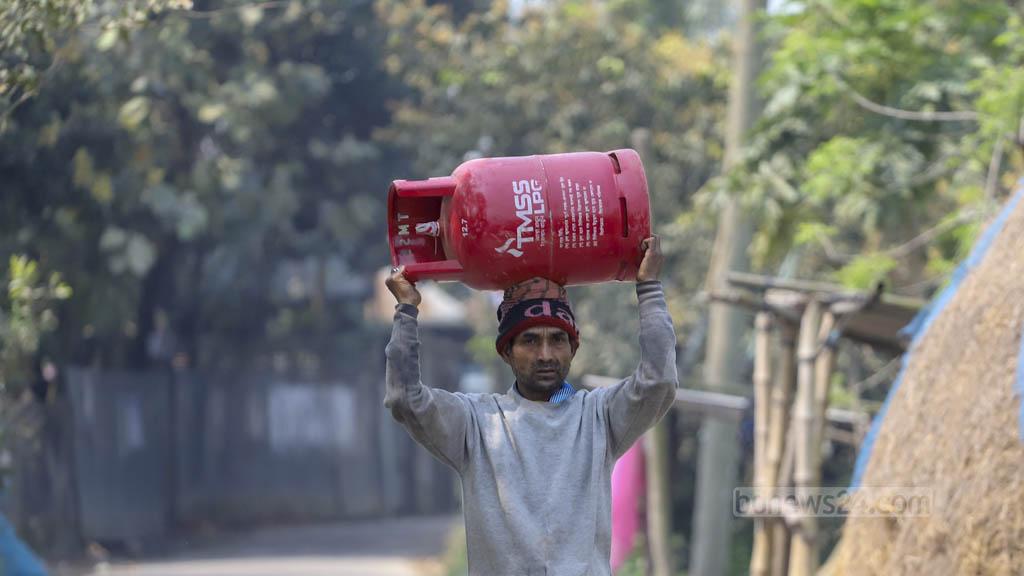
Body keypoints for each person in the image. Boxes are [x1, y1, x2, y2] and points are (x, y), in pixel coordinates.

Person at [384, 236, 678, 576]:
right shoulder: (476, 423)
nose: (545, 354)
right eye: (530, 340)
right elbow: (405, 399)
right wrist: (406, 310)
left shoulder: (599, 417)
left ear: (573, 348)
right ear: (506, 351)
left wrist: (649, 289)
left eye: (557, 339)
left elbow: (659, 382)